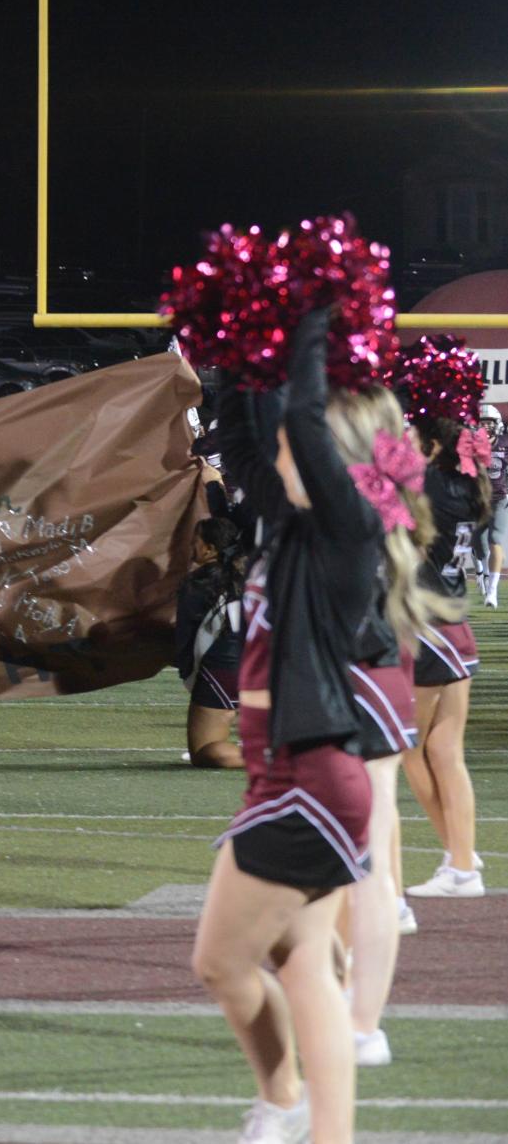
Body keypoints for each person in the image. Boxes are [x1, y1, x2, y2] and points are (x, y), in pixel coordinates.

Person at [199, 307, 447, 1143]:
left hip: (307, 780)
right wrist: (239, 364)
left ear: (334, 465)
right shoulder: (299, 530)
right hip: (289, 774)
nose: (279, 457)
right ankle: (306, 1119)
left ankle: (284, 1104)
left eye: (297, 450)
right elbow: (257, 441)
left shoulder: (347, 535)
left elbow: (299, 422)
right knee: (299, 959)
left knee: (220, 962)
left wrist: (308, 318)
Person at [401, 411, 491, 901]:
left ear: (432, 444)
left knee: (409, 749)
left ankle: (460, 861)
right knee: (443, 751)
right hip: (455, 626)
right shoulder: (464, 486)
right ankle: (462, 859)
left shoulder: (426, 487)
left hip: (428, 629)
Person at [174, 514, 247, 769]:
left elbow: (183, 638)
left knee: (205, 752)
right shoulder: (246, 576)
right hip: (261, 667)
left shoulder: (200, 582)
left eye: (196, 541)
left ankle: (278, 762)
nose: (191, 546)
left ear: (210, 549)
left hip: (223, 670)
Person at [477, 402, 505, 607]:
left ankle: (492, 591)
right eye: (482, 422)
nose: (486, 427)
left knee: (496, 538)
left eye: (489, 422)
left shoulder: (505, 443)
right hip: (477, 499)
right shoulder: (470, 446)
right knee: (478, 544)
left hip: (500, 497)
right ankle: (483, 574)